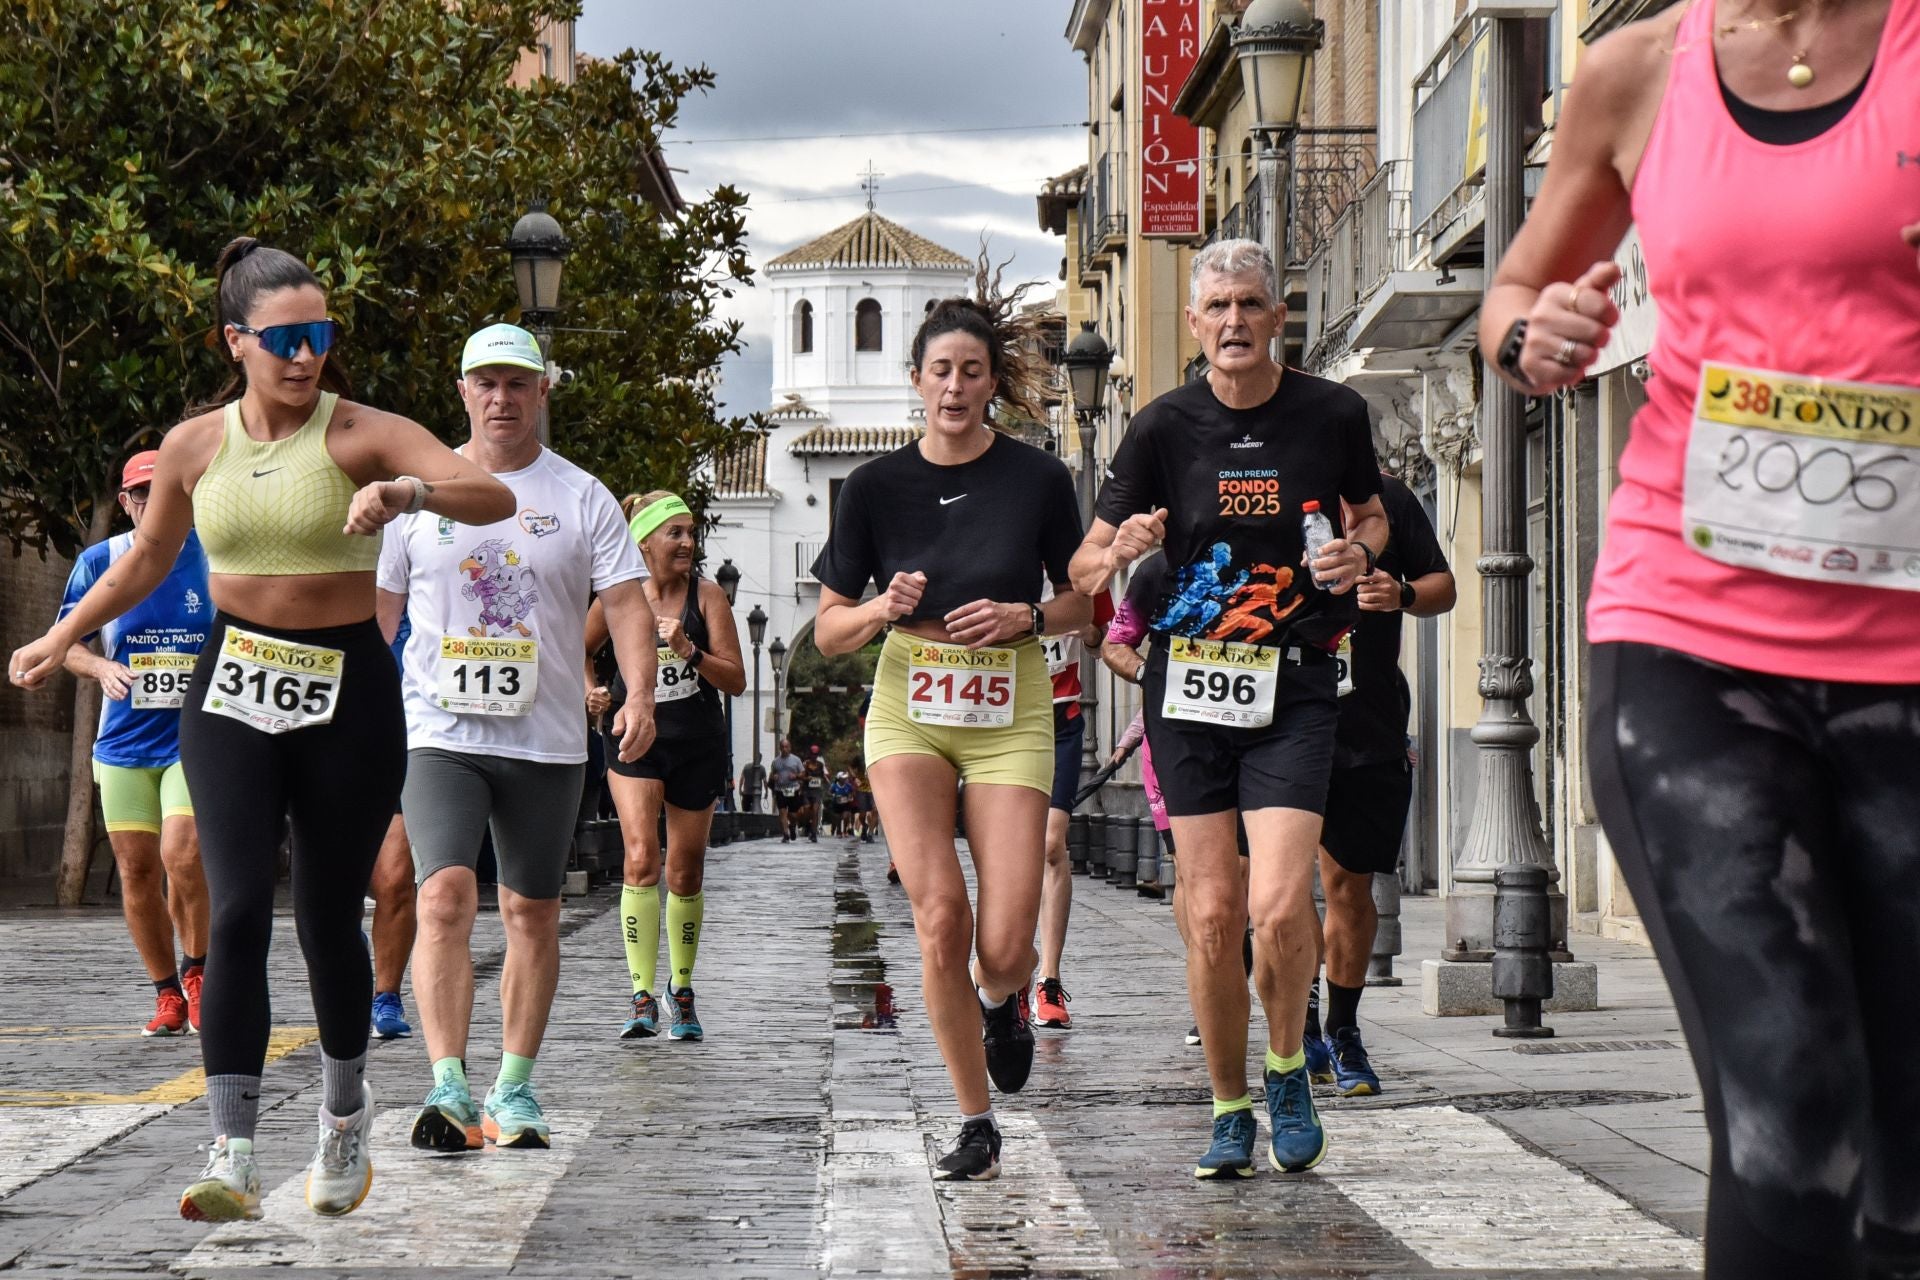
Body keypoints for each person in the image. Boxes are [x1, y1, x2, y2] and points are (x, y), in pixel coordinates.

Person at [1478, 5, 1920, 1276]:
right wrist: (1534, 334)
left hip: (1902, 660)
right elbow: (1513, 290)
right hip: (1690, 641)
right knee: (1789, 1094)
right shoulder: (1633, 74)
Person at [10, 238, 514, 1221]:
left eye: (320, 334)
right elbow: (145, 559)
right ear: (236, 340)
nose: (306, 353)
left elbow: (486, 493)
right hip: (232, 687)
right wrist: (61, 631)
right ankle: (233, 1145)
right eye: (285, 337)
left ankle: (340, 1115)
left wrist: (409, 492)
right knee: (236, 906)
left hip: (348, 698)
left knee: (328, 915)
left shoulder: (363, 430)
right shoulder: (197, 445)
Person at [1071, 238, 1387, 1180]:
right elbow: (1085, 565)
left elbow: (1370, 515)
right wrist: (1120, 542)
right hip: (1188, 684)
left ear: (1277, 318)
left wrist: (1360, 556)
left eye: (1251, 305)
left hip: (1292, 681)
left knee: (1282, 902)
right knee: (1212, 914)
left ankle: (1286, 1067)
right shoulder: (1162, 428)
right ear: (1197, 325)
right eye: (1219, 309)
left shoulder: (1333, 414)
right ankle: (1228, 1105)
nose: (1235, 322)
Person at [812, 282, 1090, 1182]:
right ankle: (974, 1120)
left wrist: (1029, 619)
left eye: (973, 371)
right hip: (909, 709)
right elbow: (826, 631)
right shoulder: (873, 488)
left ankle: (1002, 999)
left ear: (992, 382)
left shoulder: (1039, 478)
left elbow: (1088, 600)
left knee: (1003, 942)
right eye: (941, 370)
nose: (956, 386)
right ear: (917, 379)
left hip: (1010, 707)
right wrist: (880, 609)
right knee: (940, 917)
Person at [378, 323, 656, 1154]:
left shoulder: (581, 495)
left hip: (546, 738)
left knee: (532, 912)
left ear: (542, 393)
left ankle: (515, 1087)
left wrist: (640, 693)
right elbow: (378, 613)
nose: (501, 398)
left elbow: (631, 603)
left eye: (517, 383)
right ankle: (448, 1085)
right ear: (462, 392)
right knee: (443, 896)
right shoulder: (416, 494)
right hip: (440, 733)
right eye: (485, 383)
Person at [1298, 474, 1454, 1097]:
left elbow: (1442, 588)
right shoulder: (1265, 491)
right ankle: (1299, 1026)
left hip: (1367, 725)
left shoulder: (1389, 501)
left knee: (1348, 885)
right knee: (1279, 891)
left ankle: (1341, 1028)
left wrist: (1402, 593)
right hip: (1278, 721)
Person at [58, 451, 212, 1038]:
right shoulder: (101, 560)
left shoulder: (212, 555)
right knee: (138, 870)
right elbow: (64, 640)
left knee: (186, 853)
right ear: (126, 502)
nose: (156, 503)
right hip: (123, 743)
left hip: (193, 739)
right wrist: (100, 670)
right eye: (142, 494)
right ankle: (166, 992)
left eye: (165, 491)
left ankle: (198, 974)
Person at [586, 490, 744, 1043]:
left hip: (696, 743)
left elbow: (736, 680)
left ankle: (682, 990)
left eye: (691, 532)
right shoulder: (619, 595)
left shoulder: (707, 598)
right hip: (634, 740)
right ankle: (640, 995)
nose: (687, 542)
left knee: (685, 871)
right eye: (674, 533)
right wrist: (594, 693)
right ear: (644, 541)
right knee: (638, 859)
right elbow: (581, 650)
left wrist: (689, 649)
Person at [1100, 550, 1252, 1049]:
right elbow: (1115, 644)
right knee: (1189, 872)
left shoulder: (1266, 558)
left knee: (1244, 874)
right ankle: (1209, 983)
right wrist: (1152, 675)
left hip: (1255, 746)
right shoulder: (1157, 570)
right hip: (1174, 751)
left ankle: (1240, 965)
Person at [1031, 589, 1113, 1030]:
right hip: (1000, 718)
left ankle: (1049, 977)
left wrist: (1091, 633)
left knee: (1049, 845)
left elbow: (1106, 639)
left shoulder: (1078, 568)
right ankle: (1006, 970)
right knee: (1006, 849)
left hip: (1060, 719)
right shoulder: (989, 544)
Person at [368, 603, 416, 1040]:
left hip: (411, 746)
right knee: (333, 886)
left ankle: (387, 995)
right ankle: (343, 972)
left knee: (396, 880)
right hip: (338, 744)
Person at [769, 739, 805, 842]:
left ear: (790, 748)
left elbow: (802, 773)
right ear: (780, 748)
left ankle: (792, 826)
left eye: (786, 747)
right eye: (782, 747)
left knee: (793, 814)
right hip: (780, 789)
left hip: (793, 789)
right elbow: (772, 774)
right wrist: (774, 777)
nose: (784, 749)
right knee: (782, 812)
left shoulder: (796, 760)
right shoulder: (776, 761)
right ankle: (785, 834)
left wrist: (796, 775)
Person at [801, 744, 828, 841]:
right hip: (807, 790)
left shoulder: (820, 765)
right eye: (813, 754)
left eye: (816, 754)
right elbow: (801, 776)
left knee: (815, 811)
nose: (814, 756)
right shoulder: (805, 764)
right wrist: (806, 778)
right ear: (810, 754)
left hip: (816, 791)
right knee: (807, 810)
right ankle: (807, 825)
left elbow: (823, 776)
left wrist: (825, 781)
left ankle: (813, 833)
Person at [850, 757, 877, 843]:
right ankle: (864, 827)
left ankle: (870, 834)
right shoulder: (859, 760)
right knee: (862, 815)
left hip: (874, 790)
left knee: (875, 810)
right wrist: (854, 778)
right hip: (861, 790)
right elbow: (849, 766)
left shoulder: (875, 758)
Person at [829, 770, 857, 836]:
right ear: (839, 779)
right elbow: (830, 792)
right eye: (843, 778)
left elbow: (853, 792)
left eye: (845, 778)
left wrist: (850, 796)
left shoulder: (848, 785)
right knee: (838, 818)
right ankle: (839, 831)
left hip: (846, 804)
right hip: (837, 804)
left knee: (846, 816)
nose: (845, 779)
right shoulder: (834, 785)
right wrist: (834, 795)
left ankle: (845, 830)